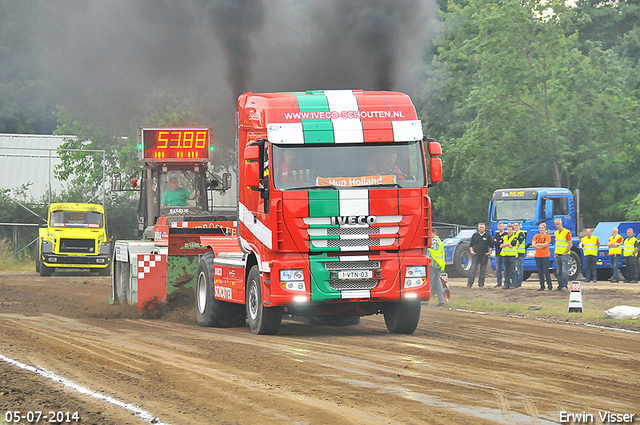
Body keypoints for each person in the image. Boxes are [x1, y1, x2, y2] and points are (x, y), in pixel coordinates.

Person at [467, 223, 493, 288]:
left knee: (483, 270)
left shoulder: (488, 236)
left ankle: (481, 284)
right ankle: (469, 284)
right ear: (478, 228)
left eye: (482, 227)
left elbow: (491, 245)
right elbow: (471, 245)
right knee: (473, 269)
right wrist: (471, 251)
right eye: (480, 227)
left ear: (484, 228)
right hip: (476, 255)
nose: (481, 228)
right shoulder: (475, 235)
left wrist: (489, 252)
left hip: (484, 255)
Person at [427, 230, 446, 306]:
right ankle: (441, 301)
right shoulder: (439, 241)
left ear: (433, 233)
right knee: (437, 283)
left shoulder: (433, 241)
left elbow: (431, 253)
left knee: (430, 282)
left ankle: (426, 300)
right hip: (439, 264)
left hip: (433, 264)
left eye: (430, 233)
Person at [532, 223, 552, 290]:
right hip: (537, 255)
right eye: (540, 228)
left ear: (545, 228)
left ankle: (549, 285)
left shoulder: (547, 236)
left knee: (546, 271)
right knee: (540, 272)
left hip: (545, 255)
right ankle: (542, 286)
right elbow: (533, 245)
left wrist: (538, 244)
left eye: (542, 228)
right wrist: (540, 245)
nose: (541, 229)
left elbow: (545, 244)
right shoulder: (536, 236)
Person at [554, 218, 573, 290]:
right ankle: (560, 286)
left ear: (561, 224)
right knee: (558, 272)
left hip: (564, 255)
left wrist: (565, 252)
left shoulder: (566, 232)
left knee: (564, 271)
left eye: (558, 224)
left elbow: (570, 244)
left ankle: (565, 285)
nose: (557, 225)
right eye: (556, 224)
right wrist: (555, 253)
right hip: (558, 254)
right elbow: (557, 243)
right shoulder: (556, 232)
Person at [499, 224, 518, 289]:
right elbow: (500, 245)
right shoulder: (505, 237)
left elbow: (512, 245)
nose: (509, 231)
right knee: (506, 270)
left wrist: (505, 244)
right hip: (504, 255)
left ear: (513, 230)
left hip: (512, 256)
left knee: (512, 270)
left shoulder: (515, 237)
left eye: (510, 229)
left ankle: (514, 283)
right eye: (508, 229)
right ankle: (506, 283)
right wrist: (507, 244)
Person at [493, 221, 507, 287]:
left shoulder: (506, 234)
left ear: (504, 227)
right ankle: (499, 282)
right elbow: (494, 242)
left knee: (505, 268)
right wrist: (500, 242)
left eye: (501, 226)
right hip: (497, 253)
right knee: (498, 269)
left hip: (504, 253)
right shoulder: (496, 235)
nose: (500, 227)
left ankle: (506, 282)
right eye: (499, 226)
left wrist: (498, 242)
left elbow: (505, 243)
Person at [513, 222, 527, 288]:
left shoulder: (521, 233)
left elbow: (517, 243)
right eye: (514, 225)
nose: (515, 226)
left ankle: (519, 282)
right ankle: (515, 281)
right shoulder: (514, 233)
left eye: (517, 225)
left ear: (519, 226)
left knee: (519, 268)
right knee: (515, 268)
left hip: (519, 253)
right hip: (514, 253)